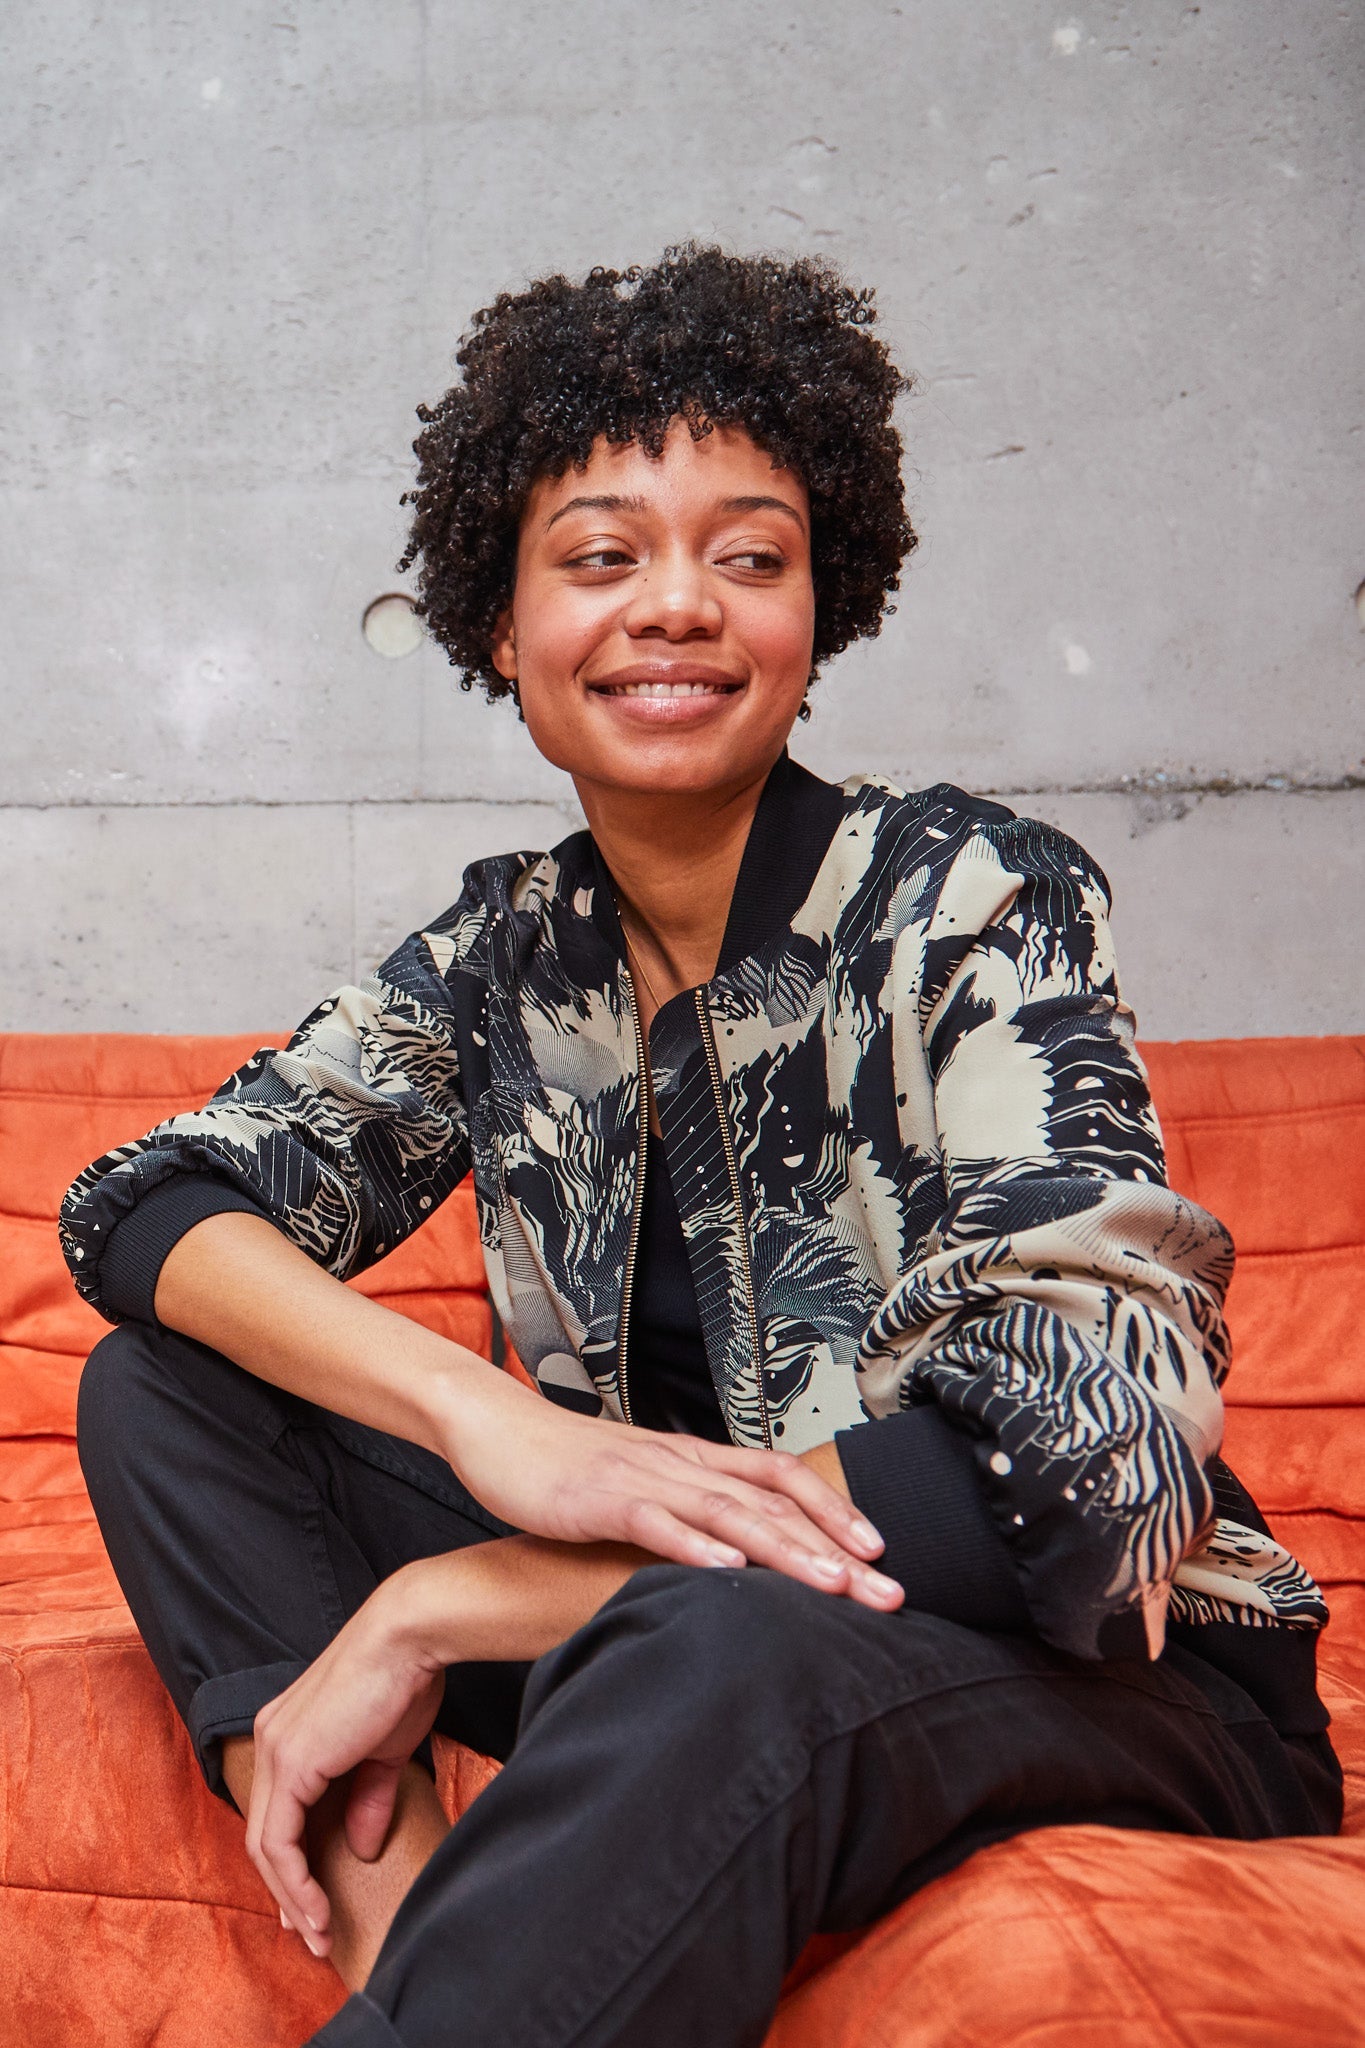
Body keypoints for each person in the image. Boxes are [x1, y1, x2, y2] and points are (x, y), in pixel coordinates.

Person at [62, 245, 1340, 2048]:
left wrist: (445, 1600)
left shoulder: (972, 896)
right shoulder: (501, 955)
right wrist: (493, 1433)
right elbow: (144, 1204)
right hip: (687, 1644)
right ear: (498, 633)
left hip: (1102, 1671)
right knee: (165, 1390)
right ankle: (415, 1947)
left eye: (748, 557)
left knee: (720, 1642)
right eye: (600, 558)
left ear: (818, 618)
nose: (677, 606)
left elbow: (1093, 1457)